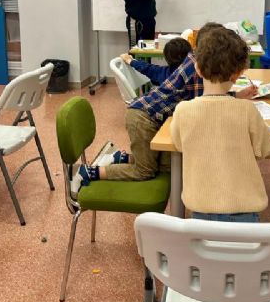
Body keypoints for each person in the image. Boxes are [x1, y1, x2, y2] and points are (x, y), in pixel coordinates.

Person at [71, 23, 257, 192]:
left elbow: (209, 96)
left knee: (171, 165)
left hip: (155, 116)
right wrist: (234, 99)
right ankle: (89, 172)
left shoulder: (199, 61)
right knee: (145, 172)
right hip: (143, 117)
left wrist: (236, 95)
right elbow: (207, 103)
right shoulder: (196, 68)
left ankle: (122, 158)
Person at [170, 27, 270, 223]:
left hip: (199, 211)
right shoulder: (246, 110)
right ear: (237, 74)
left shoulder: (183, 110)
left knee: (207, 253)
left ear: (198, 68)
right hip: (245, 214)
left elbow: (178, 144)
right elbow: (267, 148)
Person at [120, 37, 192, 86]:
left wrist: (130, 60)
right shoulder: (195, 73)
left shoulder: (165, 73)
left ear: (166, 57)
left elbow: (147, 68)